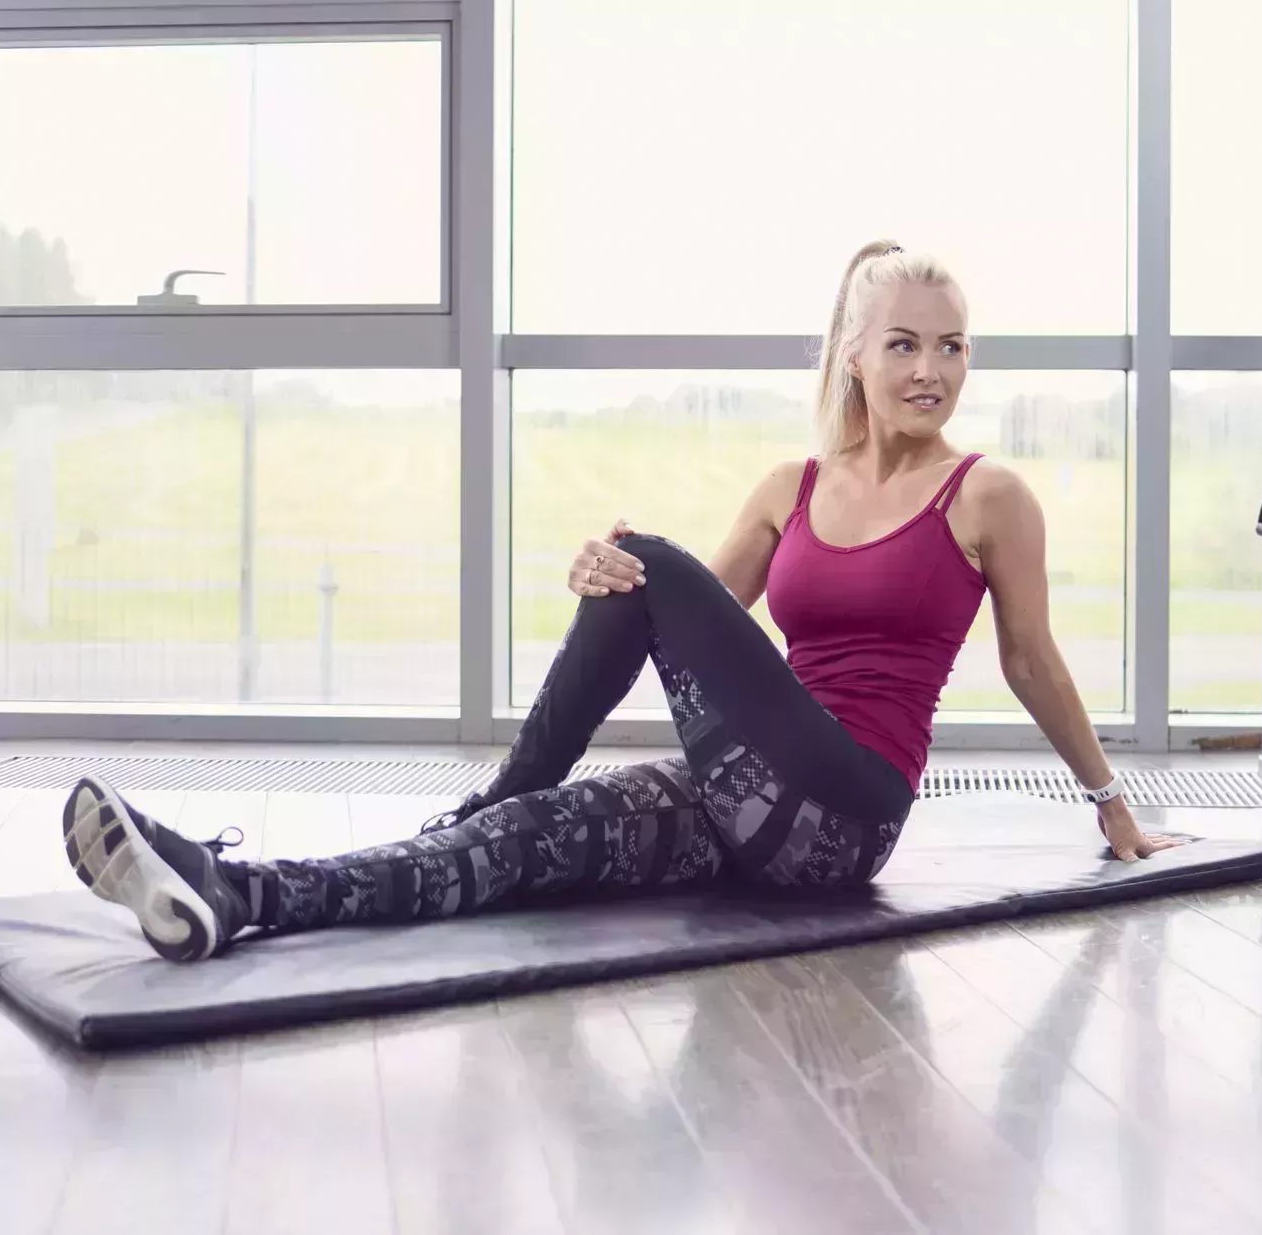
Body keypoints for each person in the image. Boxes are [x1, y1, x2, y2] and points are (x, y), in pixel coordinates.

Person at [60, 240, 1192, 962]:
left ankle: (487, 787)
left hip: (845, 813)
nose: (929, 370)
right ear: (851, 353)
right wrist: (604, 579)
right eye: (902, 344)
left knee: (639, 558)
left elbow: (1031, 658)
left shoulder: (986, 492)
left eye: (949, 347)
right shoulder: (786, 490)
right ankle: (236, 894)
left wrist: (1110, 804)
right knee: (512, 842)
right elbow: (697, 641)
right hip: (744, 794)